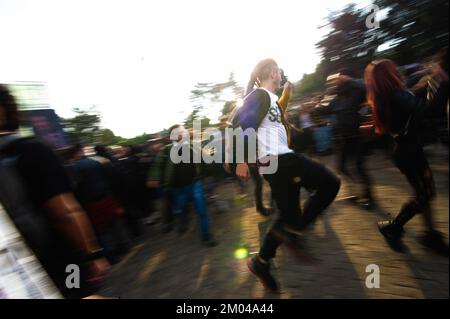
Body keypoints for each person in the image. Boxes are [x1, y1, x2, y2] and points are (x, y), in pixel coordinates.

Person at [230, 59, 341, 291]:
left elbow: (272, 122)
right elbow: (238, 123)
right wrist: (240, 158)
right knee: (331, 183)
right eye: (279, 71)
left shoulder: (269, 99)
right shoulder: (258, 95)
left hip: (278, 162)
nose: (281, 74)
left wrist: (287, 96)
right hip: (280, 161)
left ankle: (261, 262)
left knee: (287, 218)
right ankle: (295, 231)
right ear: (272, 72)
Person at [0, 84, 110, 298]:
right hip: (56, 258)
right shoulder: (29, 149)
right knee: (80, 293)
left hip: (12, 274)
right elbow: (65, 211)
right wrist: (93, 254)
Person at [364, 59, 448, 255]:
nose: (398, 70)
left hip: (405, 151)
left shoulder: (384, 95)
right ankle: (394, 227)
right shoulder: (395, 94)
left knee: (424, 192)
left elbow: (413, 99)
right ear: (389, 73)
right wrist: (444, 82)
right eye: (394, 68)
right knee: (425, 194)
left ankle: (430, 235)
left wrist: (429, 81)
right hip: (410, 152)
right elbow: (428, 110)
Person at [311, 71, 375, 208]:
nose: (333, 84)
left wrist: (349, 79)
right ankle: (356, 192)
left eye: (336, 82)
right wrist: (316, 106)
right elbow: (324, 111)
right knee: (341, 167)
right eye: (331, 83)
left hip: (357, 137)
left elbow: (364, 86)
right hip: (344, 139)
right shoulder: (336, 99)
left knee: (359, 167)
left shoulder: (355, 93)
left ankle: (369, 196)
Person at [147, 125, 218, 247]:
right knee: (180, 210)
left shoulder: (193, 146)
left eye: (184, 131)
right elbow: (157, 167)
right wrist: (153, 178)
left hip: (194, 184)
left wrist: (212, 153)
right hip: (177, 189)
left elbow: (206, 157)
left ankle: (207, 237)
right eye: (181, 132)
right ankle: (182, 221)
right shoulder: (165, 151)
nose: (184, 133)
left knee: (202, 211)